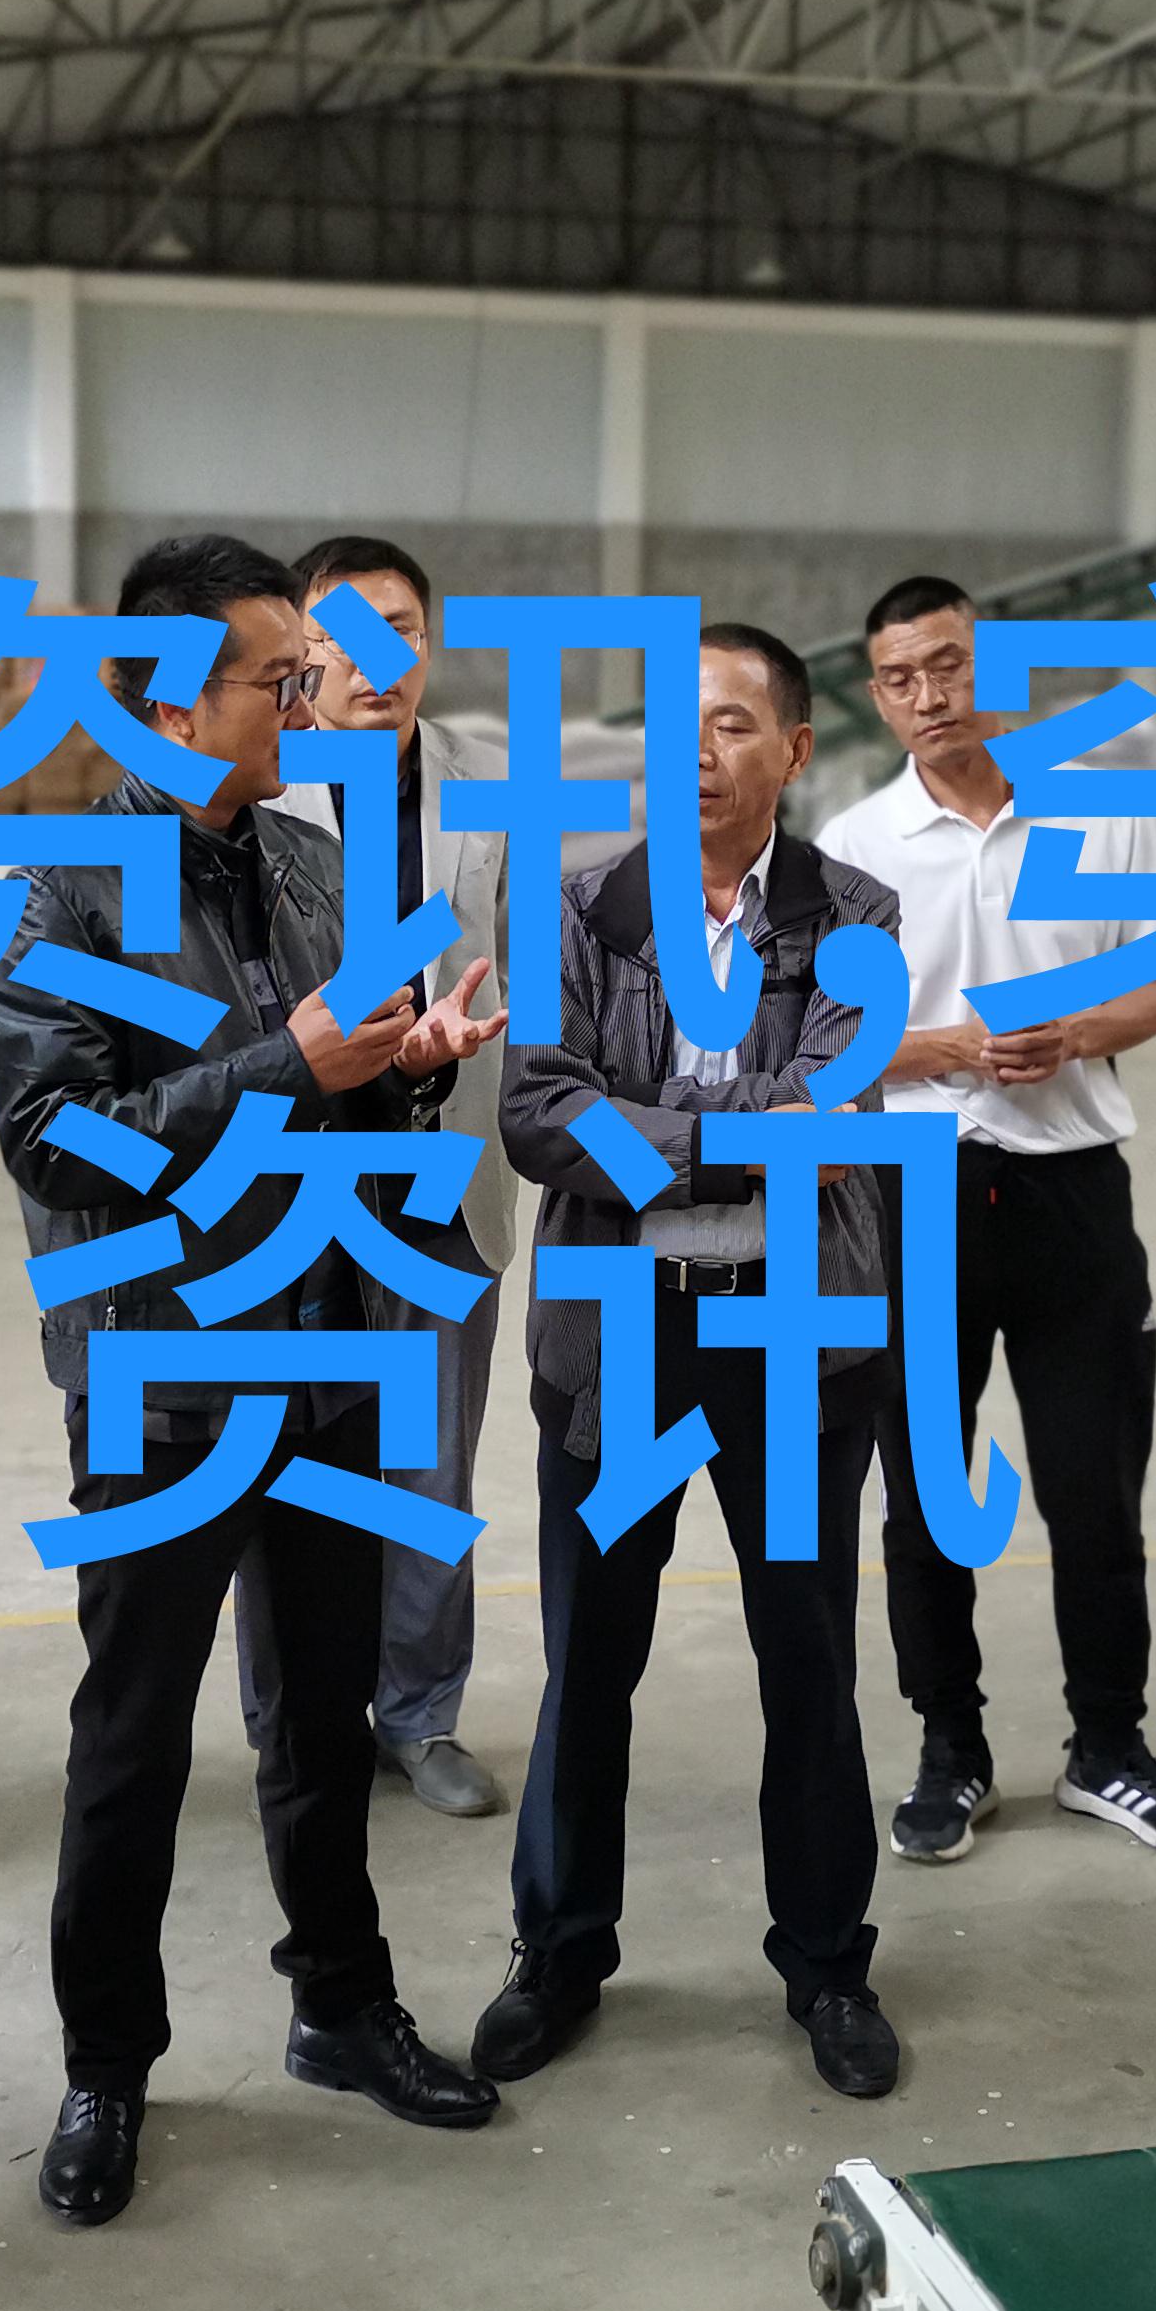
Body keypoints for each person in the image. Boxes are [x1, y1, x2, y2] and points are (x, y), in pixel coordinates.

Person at [0, 534, 508, 2229]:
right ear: (164, 701)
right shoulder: (63, 891)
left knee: (324, 1717)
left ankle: (341, 2005)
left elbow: (352, 1093)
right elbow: (59, 1144)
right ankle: (106, 2064)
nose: (309, 703)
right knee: (134, 1735)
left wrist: (410, 1069)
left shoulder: (311, 860)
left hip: (328, 1345)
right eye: (279, 679)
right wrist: (296, 1064)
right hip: (164, 1375)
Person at [482, 624, 908, 2101]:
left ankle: (829, 1961)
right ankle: (559, 1950)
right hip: (621, 1332)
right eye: (677, 725)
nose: (699, 754)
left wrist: (651, 1125)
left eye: (732, 724)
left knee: (809, 1659)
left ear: (796, 749)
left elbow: (838, 1118)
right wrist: (744, 1134)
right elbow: (541, 1113)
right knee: (590, 1657)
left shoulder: (856, 913)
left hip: (791, 1338)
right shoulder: (574, 907)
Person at [816, 575, 1156, 1867]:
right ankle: (952, 1751)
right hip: (913, 1196)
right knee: (928, 1497)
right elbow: (824, 1046)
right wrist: (949, 1049)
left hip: (1073, 1192)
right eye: (901, 678)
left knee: (1094, 1493)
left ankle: (1111, 1749)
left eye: (948, 666)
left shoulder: (1104, 815)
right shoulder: (854, 846)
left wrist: (1077, 1034)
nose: (929, 697)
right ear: (877, 697)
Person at [231, 531, 517, 1820]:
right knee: (285, 1464)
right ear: (302, 653)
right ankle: (297, 1722)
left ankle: (419, 1713)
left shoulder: (492, 781)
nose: (373, 660)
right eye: (341, 636)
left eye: (399, 628)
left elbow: (533, 964)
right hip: (290, 1183)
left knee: (431, 1466)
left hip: (443, 1175)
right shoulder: (250, 787)